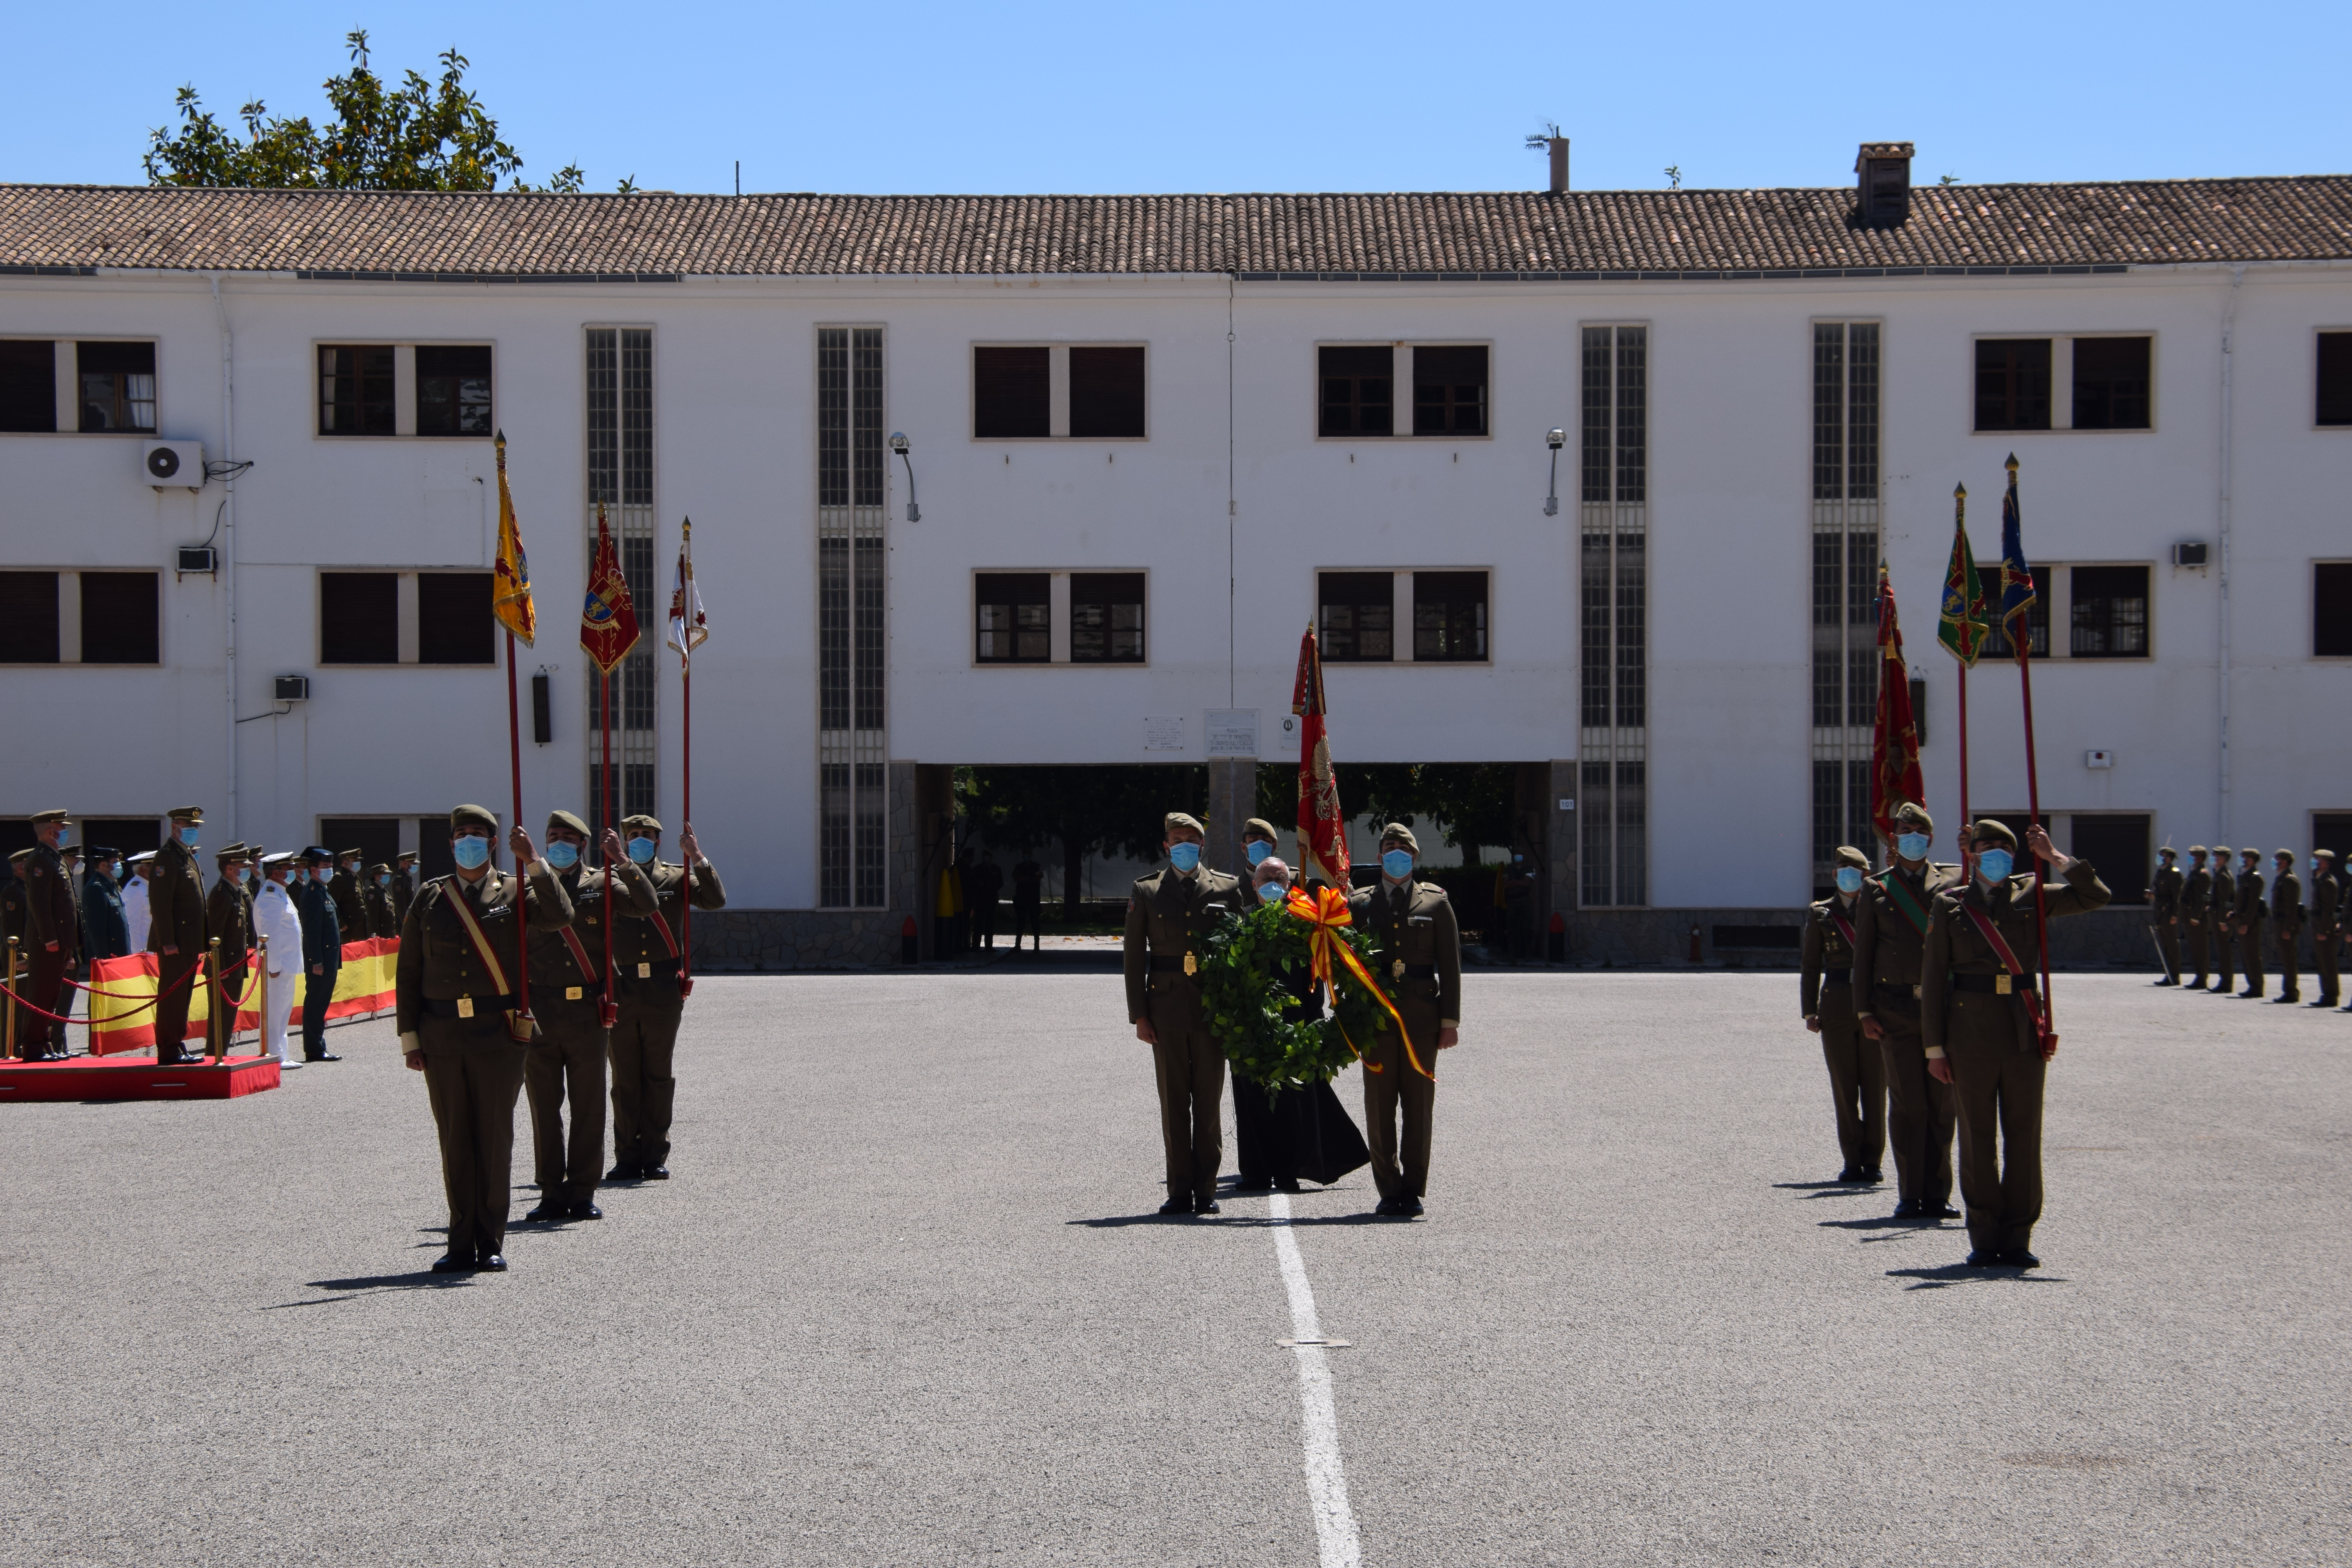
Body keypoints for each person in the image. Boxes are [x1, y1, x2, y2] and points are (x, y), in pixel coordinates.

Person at [1922, 820, 2112, 1269]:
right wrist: (1935, 1049)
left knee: (2024, 1137)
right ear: (1971, 854)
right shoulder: (1950, 905)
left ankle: (2019, 1235)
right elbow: (1932, 982)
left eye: (2005, 850)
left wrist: (2056, 858)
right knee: (1977, 1138)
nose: (1997, 857)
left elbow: (2096, 896)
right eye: (1987, 849)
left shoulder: (2034, 894)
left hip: (2024, 1032)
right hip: (1968, 1036)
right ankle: (1985, 1236)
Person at [397, 806, 574, 1274]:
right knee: (456, 1139)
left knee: (493, 1137)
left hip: (498, 1035)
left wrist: (534, 860)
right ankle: (460, 1241)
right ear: (451, 843)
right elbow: (409, 971)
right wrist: (410, 1039)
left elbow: (560, 915)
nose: (468, 841)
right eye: (461, 835)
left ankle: (490, 1240)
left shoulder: (515, 890)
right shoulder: (430, 897)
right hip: (442, 1035)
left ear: (494, 843)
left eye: (478, 834)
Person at [523, 813, 646, 1222]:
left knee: (588, 1103)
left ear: (583, 845)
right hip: (540, 1010)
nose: (559, 843)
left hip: (588, 1010)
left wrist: (623, 861)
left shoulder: (601, 883)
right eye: (553, 836)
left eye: (568, 838)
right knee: (544, 1105)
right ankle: (551, 1191)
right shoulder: (525, 887)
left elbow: (646, 904)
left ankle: (583, 1189)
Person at [1123, 811, 1247, 1215]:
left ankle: (1207, 1189)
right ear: (1166, 845)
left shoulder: (1227, 888)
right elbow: (1133, 959)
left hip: (1213, 1009)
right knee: (1174, 1102)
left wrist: (1240, 1009)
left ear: (1203, 844)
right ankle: (1179, 1190)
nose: (1185, 846)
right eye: (1177, 839)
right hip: (1166, 1008)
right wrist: (1140, 1015)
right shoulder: (1146, 891)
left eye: (1192, 840)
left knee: (1208, 1103)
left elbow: (1241, 951)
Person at [1348, 823, 1463, 1218]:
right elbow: (1345, 961)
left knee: (1418, 1106)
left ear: (1415, 857)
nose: (1397, 854)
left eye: (1404, 849)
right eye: (1390, 848)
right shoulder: (1359, 903)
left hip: (1421, 1019)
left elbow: (1449, 966)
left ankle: (1413, 1188)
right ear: (1380, 857)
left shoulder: (1436, 903)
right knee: (1379, 1106)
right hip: (1375, 1018)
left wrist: (1449, 1021)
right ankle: (1388, 1187)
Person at [1853, 803, 1962, 1220]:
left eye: (1919, 830)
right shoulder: (1876, 888)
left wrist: (1972, 856)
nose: (1911, 835)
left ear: (1931, 838)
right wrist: (1864, 1011)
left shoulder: (1955, 880)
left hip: (1945, 1011)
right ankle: (1909, 1193)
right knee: (1906, 1104)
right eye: (1904, 830)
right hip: (1895, 1009)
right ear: (1894, 838)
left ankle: (1937, 1194)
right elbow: (1863, 954)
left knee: (1942, 1105)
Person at [608, 814, 726, 1183]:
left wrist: (697, 857)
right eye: (634, 835)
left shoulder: (675, 877)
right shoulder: (608, 879)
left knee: (657, 1073)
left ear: (659, 842)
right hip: (622, 985)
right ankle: (627, 1155)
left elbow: (715, 900)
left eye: (647, 836)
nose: (640, 840)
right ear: (625, 841)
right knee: (625, 1075)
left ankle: (655, 1153)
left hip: (662, 986)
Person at [1802, 845, 1884, 1185]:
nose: (1848, 876)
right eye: (1842, 870)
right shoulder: (1821, 913)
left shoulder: (1880, 909)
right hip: (1835, 1007)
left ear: (1866, 876)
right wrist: (1809, 1010)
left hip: (1875, 1007)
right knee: (1845, 1087)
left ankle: (1874, 1160)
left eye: (1856, 871)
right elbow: (1810, 964)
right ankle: (1852, 1159)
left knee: (1876, 1088)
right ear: (1835, 875)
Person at [147, 806, 212, 1066]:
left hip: (189, 941)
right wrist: (167, 941)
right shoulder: (167, 858)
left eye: (196, 827)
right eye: (189, 827)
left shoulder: (185, 857)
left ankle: (177, 1042)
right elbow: (160, 903)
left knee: (182, 996)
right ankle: (168, 1048)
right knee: (172, 995)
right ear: (175, 827)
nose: (194, 832)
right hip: (175, 942)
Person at [19, 809, 82, 1060]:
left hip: (61, 940)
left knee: (52, 994)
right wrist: (50, 939)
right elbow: (40, 904)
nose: (65, 832)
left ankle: (45, 1044)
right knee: (41, 992)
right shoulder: (40, 860)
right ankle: (33, 1047)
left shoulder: (54, 858)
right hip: (48, 943)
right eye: (61, 828)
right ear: (49, 831)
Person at [250, 852, 304, 1067]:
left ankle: (282, 1055)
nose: (292, 871)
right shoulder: (271, 895)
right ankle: (273, 1054)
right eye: (289, 868)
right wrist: (272, 966)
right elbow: (269, 934)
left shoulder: (281, 892)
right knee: (275, 1010)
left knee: (283, 1010)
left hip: (287, 963)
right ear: (277, 872)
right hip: (278, 966)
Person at [294, 846, 344, 1062]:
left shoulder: (323, 891)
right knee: (315, 1003)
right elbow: (312, 932)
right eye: (325, 867)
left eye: (331, 867)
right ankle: (314, 1049)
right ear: (314, 870)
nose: (329, 871)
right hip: (321, 961)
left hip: (329, 959)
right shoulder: (313, 894)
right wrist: (316, 961)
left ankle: (318, 1045)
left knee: (321, 1003)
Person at [205, 844, 255, 1047]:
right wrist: (221, 967)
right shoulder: (221, 893)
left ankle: (221, 1053)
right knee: (221, 1016)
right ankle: (214, 1056)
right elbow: (214, 935)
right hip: (225, 966)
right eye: (242, 865)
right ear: (229, 869)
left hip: (236, 964)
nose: (246, 870)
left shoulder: (235, 892)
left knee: (228, 1016)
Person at [80, 847, 131, 966]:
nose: (119, 866)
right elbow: (97, 930)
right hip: (109, 958)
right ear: (103, 865)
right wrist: (103, 961)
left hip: (120, 955)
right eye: (115, 863)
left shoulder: (112, 885)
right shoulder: (96, 888)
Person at [2269, 849, 2304, 1005]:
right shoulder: (2282, 877)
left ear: (2284, 862)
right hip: (2280, 922)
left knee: (2289, 959)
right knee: (2286, 958)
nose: (2275, 863)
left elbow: (2291, 908)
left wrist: (2288, 929)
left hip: (2285, 924)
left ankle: (2291, 992)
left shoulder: (2289, 879)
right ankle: (2289, 990)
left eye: (2277, 860)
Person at [2232, 847, 2267, 999]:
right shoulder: (2244, 876)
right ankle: (2252, 984)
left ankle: (2257, 987)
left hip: (2250, 922)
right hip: (2241, 919)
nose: (2241, 859)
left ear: (2251, 860)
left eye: (2244, 857)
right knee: (2246, 954)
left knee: (2252, 954)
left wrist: (2246, 922)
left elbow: (2253, 903)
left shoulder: (2255, 877)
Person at [2312, 849, 2342, 1009]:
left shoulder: (2328, 881)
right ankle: (2327, 994)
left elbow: (2328, 909)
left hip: (2325, 927)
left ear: (2325, 862)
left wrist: (2324, 930)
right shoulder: (2319, 879)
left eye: (2317, 860)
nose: (2315, 862)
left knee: (2328, 962)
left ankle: (2331, 995)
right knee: (2322, 962)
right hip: (2319, 924)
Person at [2179, 847, 2212, 990]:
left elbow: (2202, 897)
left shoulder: (2202, 874)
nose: (2190, 858)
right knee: (2195, 949)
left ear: (2199, 858)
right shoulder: (2194, 872)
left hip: (2196, 917)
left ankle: (2202, 979)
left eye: (2192, 856)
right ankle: (2199, 977)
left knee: (2200, 949)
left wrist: (2196, 916)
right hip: (2189, 915)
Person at [2150, 846, 2183, 985]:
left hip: (2168, 912)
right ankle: (2168, 975)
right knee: (2164, 945)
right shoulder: (2161, 872)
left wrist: (2175, 915)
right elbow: (2158, 890)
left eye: (2162, 855)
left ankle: (2174, 977)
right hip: (2160, 912)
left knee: (2171, 946)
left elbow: (2177, 897)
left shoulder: (2174, 873)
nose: (2159, 857)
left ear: (2168, 859)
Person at [2208, 848, 2238, 996]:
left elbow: (2226, 902)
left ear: (2222, 859)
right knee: (2221, 952)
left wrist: (2222, 920)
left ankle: (2226, 983)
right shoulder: (2219, 874)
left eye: (2216, 856)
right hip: (2216, 917)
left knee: (2224, 952)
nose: (2213, 858)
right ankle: (2224, 981)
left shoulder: (2224, 876)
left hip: (2221, 920)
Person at [968, 856, 1005, 952]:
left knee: (990, 923)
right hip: (981, 899)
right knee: (979, 923)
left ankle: (989, 946)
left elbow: (1000, 883)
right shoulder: (978, 869)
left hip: (991, 899)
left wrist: (993, 890)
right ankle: (976, 945)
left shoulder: (996, 869)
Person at [328, 849, 365, 942]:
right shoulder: (340, 877)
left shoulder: (356, 878)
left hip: (360, 927)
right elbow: (333, 902)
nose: (358, 863)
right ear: (345, 863)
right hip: (348, 928)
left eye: (359, 861)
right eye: (355, 861)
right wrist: (341, 924)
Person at [1010, 853, 1044, 955]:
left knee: (1035, 921)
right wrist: (1030, 878)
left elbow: (1038, 878)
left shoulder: (1037, 866)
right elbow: (1016, 878)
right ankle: (1018, 945)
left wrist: (1024, 878)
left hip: (1033, 898)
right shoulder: (1019, 866)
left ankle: (1037, 946)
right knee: (1021, 921)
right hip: (1022, 897)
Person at [122, 851, 155, 954]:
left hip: (152, 949)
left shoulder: (149, 886)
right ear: (142, 869)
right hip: (143, 952)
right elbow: (131, 927)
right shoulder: (135, 889)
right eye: (154, 866)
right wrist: (138, 955)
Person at [363, 863, 400, 940]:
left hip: (389, 934)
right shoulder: (373, 892)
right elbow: (373, 917)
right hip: (382, 935)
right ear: (376, 876)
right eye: (385, 874)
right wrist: (376, 937)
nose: (388, 876)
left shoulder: (383, 890)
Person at [390, 850, 419, 930]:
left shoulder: (407, 878)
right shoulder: (399, 880)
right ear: (405, 864)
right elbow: (401, 905)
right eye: (414, 864)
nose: (416, 866)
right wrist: (405, 923)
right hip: (405, 924)